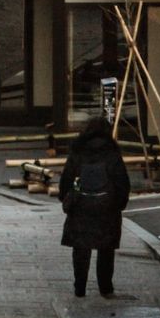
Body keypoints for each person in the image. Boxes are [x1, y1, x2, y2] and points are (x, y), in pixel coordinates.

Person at [59, 117, 130, 297]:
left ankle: (80, 287)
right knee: (106, 249)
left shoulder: (78, 151)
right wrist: (118, 204)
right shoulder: (112, 153)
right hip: (107, 207)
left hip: (81, 206)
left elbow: (66, 179)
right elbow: (122, 182)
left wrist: (67, 200)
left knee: (80, 249)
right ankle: (105, 288)